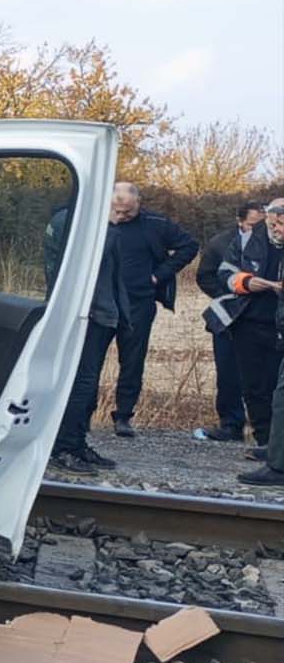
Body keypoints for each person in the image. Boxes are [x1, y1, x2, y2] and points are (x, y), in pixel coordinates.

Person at [104, 182, 199, 437]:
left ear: (138, 203)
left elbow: (189, 246)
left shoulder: (156, 223)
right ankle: (83, 413)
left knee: (132, 361)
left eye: (127, 212)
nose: (121, 216)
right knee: (90, 361)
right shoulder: (98, 220)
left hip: (139, 301)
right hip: (101, 302)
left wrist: (160, 276)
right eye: (117, 210)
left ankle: (123, 416)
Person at [49, 205, 131, 474]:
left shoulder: (97, 223)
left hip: (101, 314)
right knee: (78, 384)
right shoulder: (73, 221)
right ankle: (62, 448)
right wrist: (108, 223)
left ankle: (76, 444)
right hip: (84, 314)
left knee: (88, 385)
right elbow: (86, 261)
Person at [223, 199, 284, 486]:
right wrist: (246, 282)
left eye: (281, 220)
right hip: (249, 319)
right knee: (254, 386)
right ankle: (266, 442)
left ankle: (277, 453)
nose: (277, 225)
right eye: (274, 219)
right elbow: (224, 272)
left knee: (277, 389)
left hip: (278, 325)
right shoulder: (248, 239)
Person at [196, 203, 265, 441]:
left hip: (262, 318)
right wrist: (230, 297)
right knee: (228, 372)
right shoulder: (221, 243)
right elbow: (205, 276)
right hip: (229, 317)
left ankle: (264, 432)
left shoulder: (273, 243)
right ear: (240, 221)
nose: (259, 229)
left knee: (262, 376)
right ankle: (231, 423)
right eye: (253, 224)